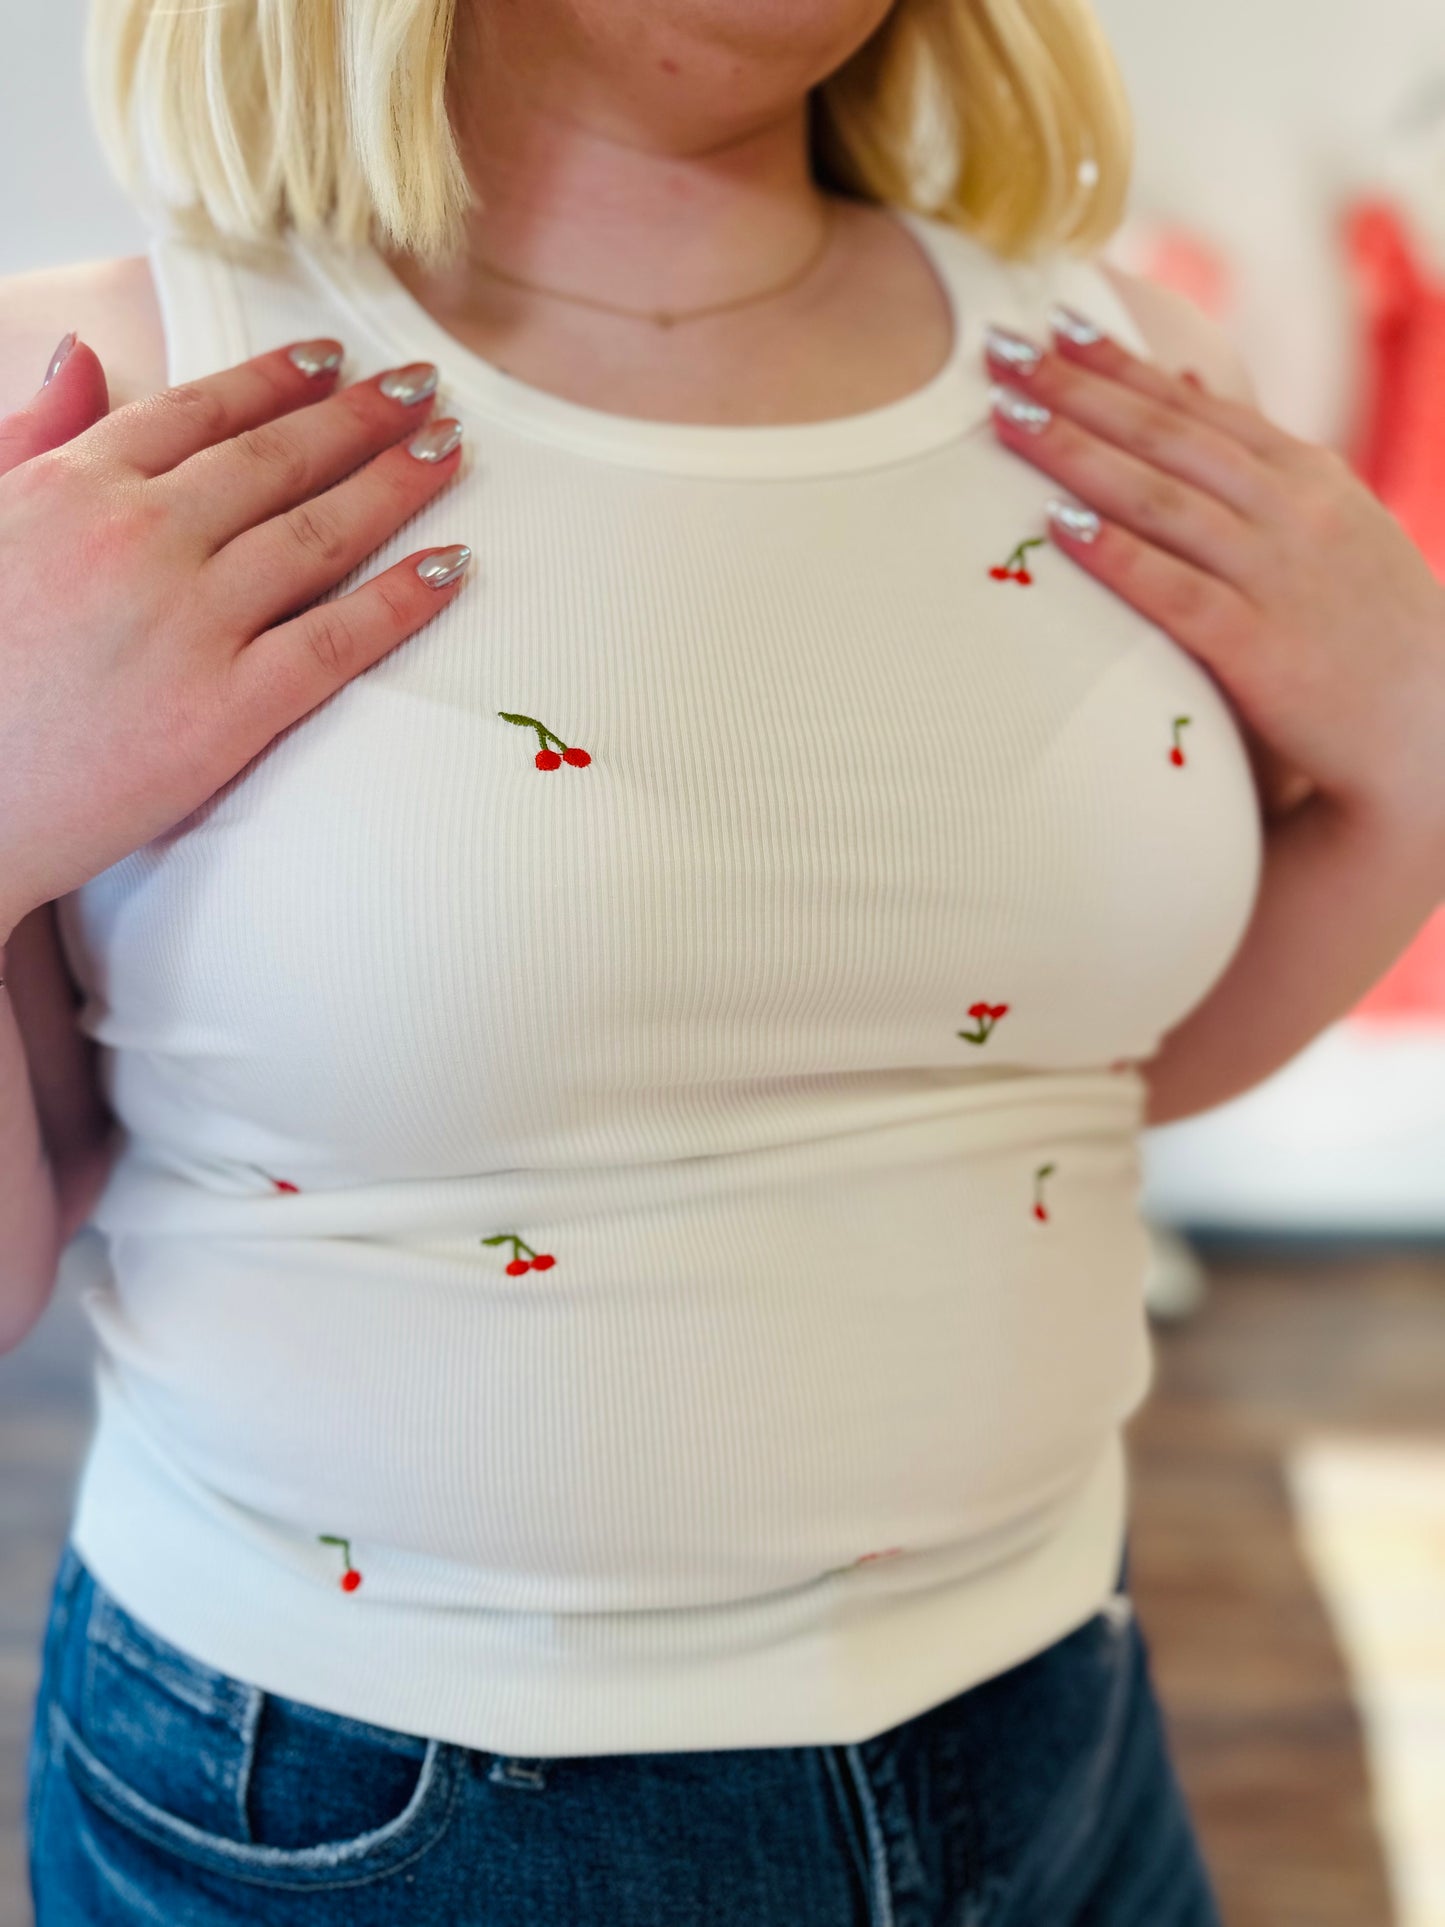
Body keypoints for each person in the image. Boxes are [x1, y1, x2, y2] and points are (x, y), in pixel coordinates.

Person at [6, 1, 1444, 1921]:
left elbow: (1068, 1077)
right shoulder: (103, 389)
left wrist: (1421, 751)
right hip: (369, 1815)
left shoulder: (1123, 362)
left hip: (1058, 1724)